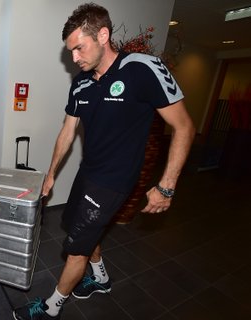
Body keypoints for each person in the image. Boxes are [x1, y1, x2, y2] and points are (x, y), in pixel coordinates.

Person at [12, 3, 195, 320]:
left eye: (79, 48)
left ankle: (51, 307)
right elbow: (68, 131)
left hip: (115, 180)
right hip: (88, 172)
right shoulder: (81, 84)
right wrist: (52, 174)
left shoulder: (141, 68)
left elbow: (184, 127)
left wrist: (166, 186)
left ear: (103, 35)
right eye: (70, 51)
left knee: (76, 247)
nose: (74, 58)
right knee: (75, 227)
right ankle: (100, 278)